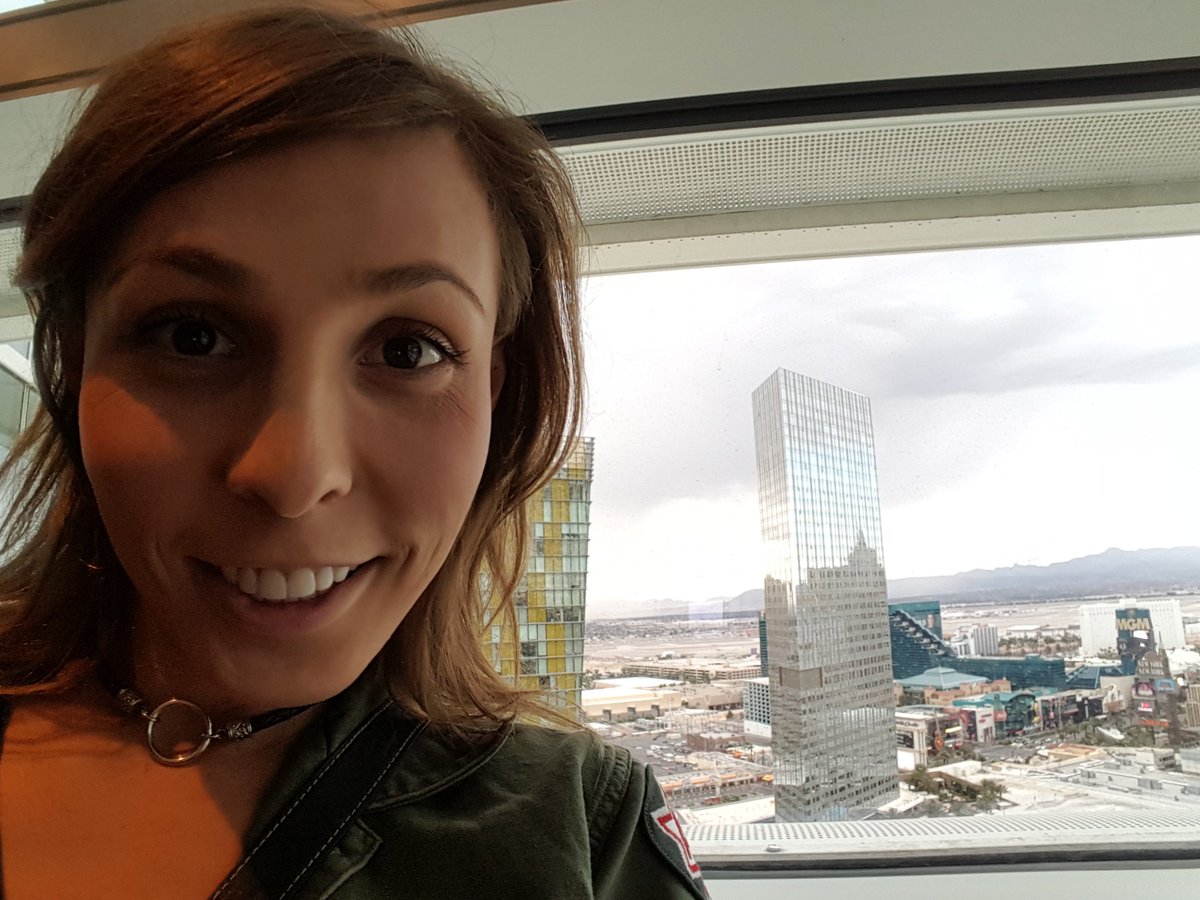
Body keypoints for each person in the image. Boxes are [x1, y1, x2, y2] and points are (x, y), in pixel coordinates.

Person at [0, 7, 709, 898]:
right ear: (71, 370)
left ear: (496, 398)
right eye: (192, 336)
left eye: (407, 351)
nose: (295, 476)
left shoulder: (580, 836)